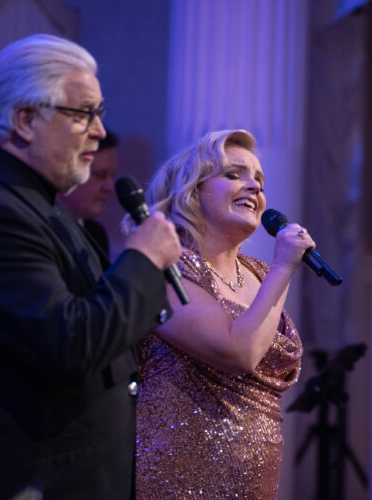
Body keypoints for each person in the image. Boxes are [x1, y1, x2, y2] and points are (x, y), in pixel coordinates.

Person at [0, 34, 181, 500]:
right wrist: (143, 259)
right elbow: (71, 342)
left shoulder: (38, 204)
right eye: (83, 114)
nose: (99, 131)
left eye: (98, 114)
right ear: (25, 120)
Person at [133, 129, 314, 499]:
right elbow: (239, 353)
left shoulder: (260, 274)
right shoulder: (165, 269)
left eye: (259, 180)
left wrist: (276, 271)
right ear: (192, 191)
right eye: (234, 175)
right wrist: (284, 269)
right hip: (179, 480)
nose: (254, 188)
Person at [58, 129, 119, 256]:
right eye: (100, 175)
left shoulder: (96, 234)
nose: (109, 187)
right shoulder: (39, 229)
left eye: (112, 176)